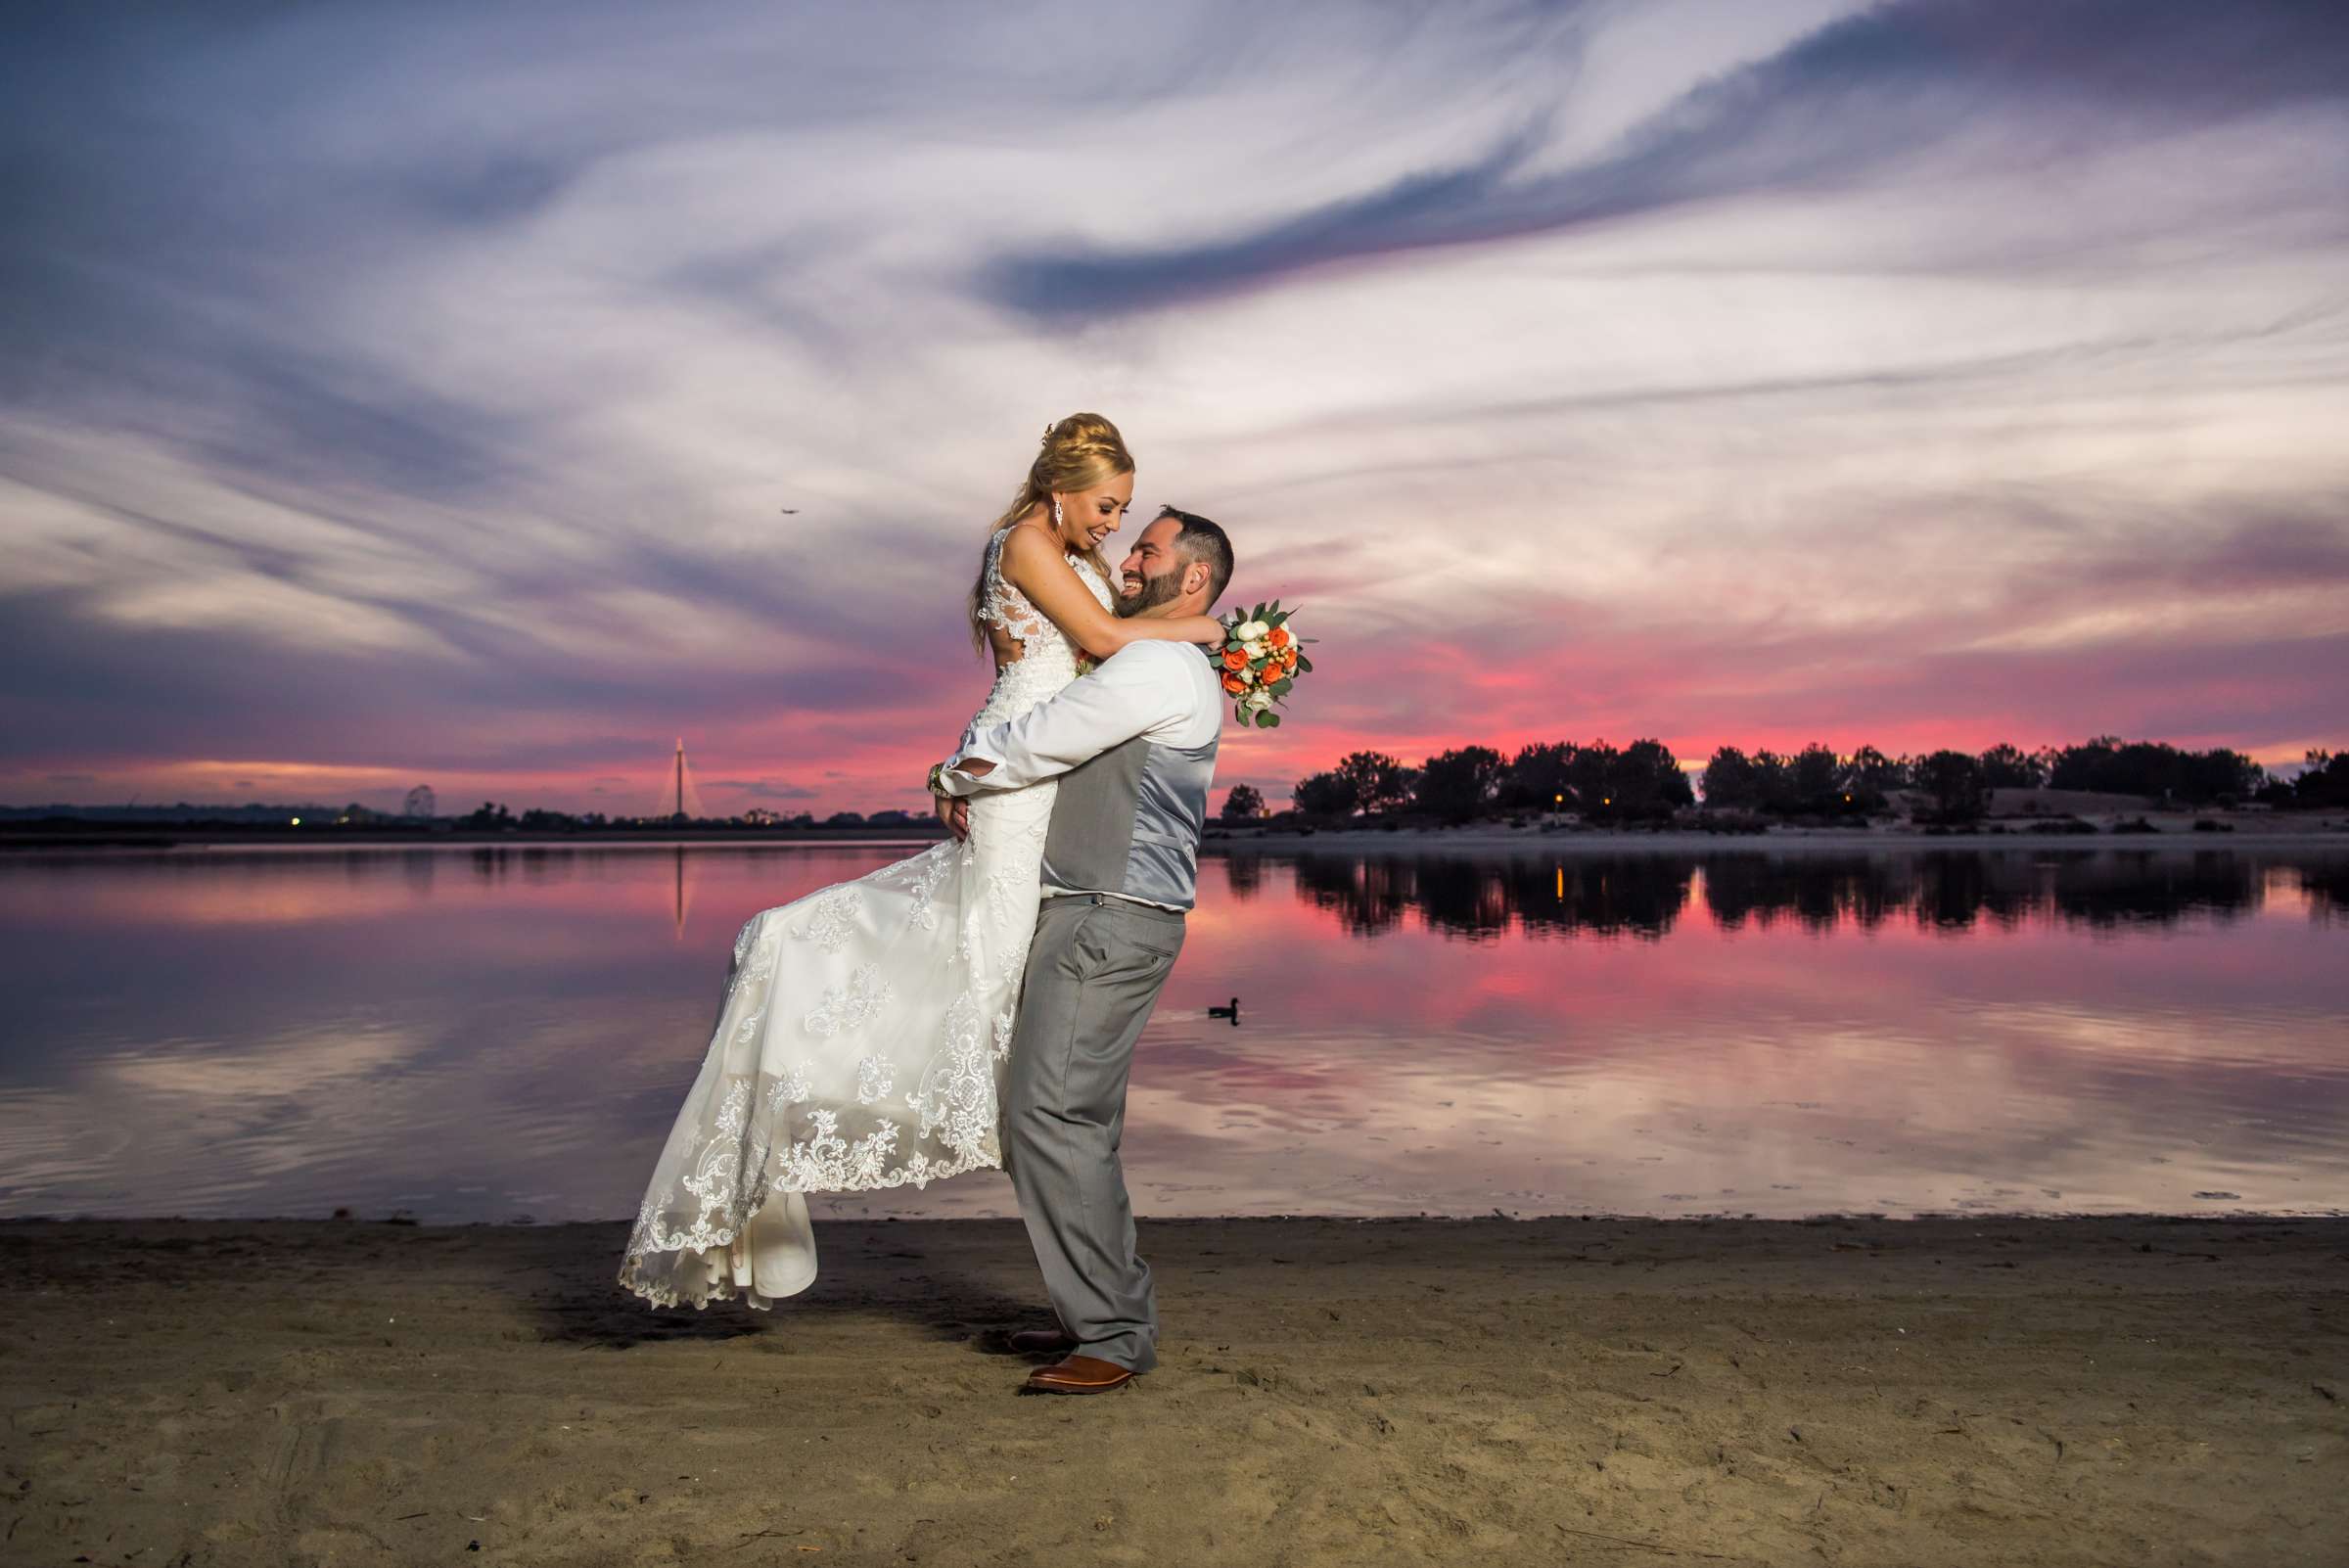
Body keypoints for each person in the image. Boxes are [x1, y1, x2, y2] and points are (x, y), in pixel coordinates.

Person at [618, 416, 1222, 1311]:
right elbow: (1095, 642)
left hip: (1039, 775)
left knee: (991, 960)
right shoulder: (1025, 541)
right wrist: (1212, 631)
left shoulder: (1079, 559)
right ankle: (996, 1118)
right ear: (1062, 489)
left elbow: (1108, 650)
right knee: (989, 960)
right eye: (1107, 507)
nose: (1114, 528)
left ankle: (1043, 1147)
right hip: (1020, 775)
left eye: (1128, 514)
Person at [928, 505, 1234, 1393]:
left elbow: (1039, 742)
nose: (1127, 557)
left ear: (1194, 582)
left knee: (1051, 1116)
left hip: (1109, 917)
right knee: (1064, 1119)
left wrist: (951, 774)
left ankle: (1110, 1334)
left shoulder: (1161, 666)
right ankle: (1097, 1318)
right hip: (1100, 913)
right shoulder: (1159, 661)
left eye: (1148, 548)